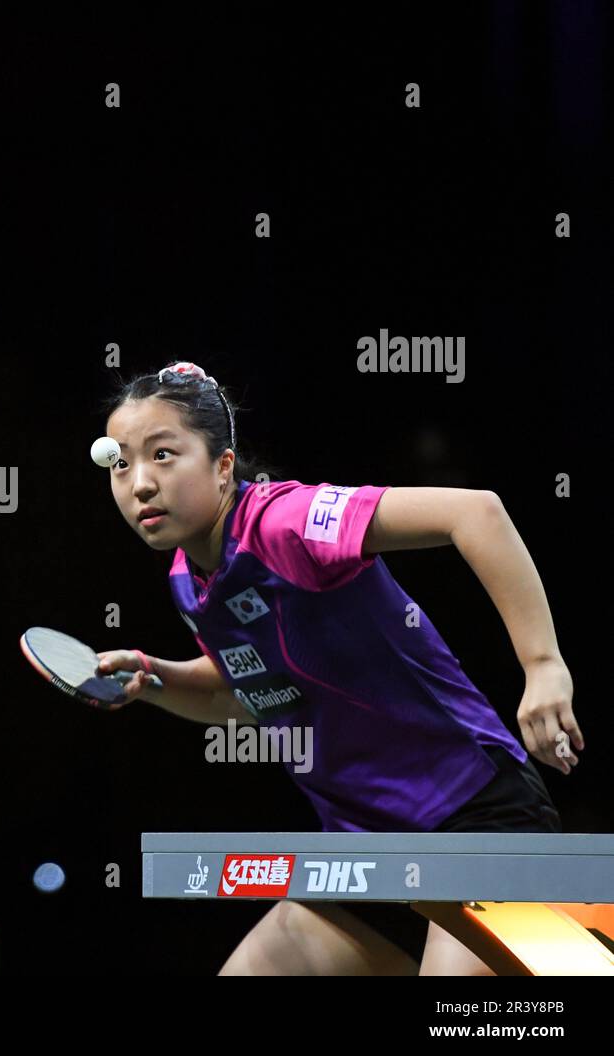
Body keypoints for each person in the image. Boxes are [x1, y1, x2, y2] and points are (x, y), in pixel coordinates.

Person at [93, 360, 581, 976]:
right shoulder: (189, 585)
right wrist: (154, 678)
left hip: (476, 821)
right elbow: (245, 692)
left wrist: (542, 666)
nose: (139, 483)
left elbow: (476, 513)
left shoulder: (286, 522)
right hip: (364, 854)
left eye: (163, 455)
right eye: (121, 463)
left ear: (222, 466)